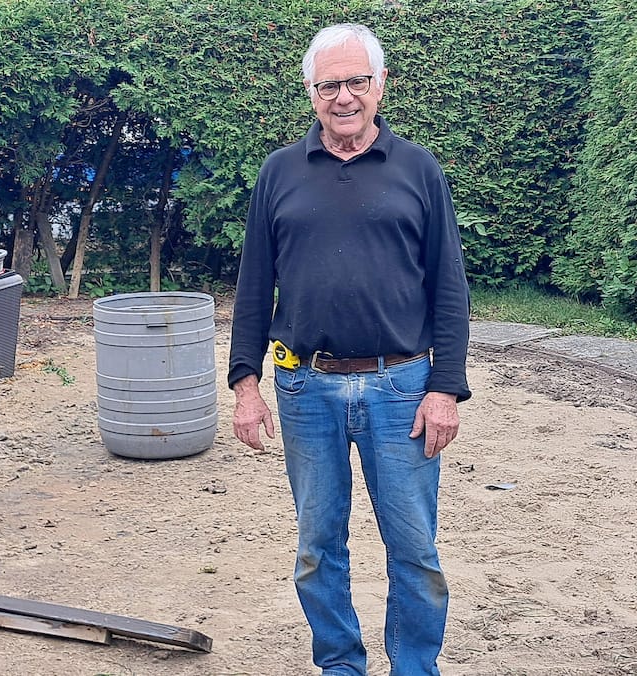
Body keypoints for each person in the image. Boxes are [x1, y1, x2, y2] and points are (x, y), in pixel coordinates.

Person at [227, 23, 471, 676]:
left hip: (403, 389)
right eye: (329, 85)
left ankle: (414, 668)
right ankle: (340, 665)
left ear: (380, 85)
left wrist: (445, 388)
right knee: (317, 549)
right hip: (306, 388)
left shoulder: (417, 169)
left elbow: (449, 287)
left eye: (356, 82)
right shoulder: (280, 172)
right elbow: (254, 285)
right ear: (311, 92)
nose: (344, 97)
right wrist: (246, 384)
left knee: (415, 551)